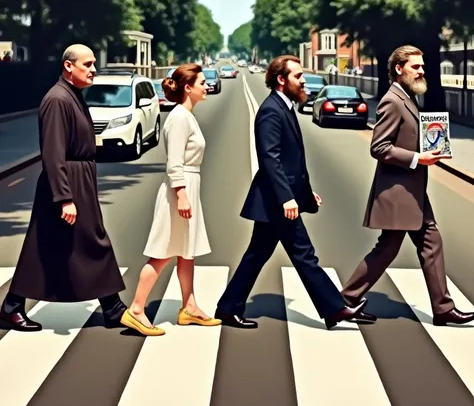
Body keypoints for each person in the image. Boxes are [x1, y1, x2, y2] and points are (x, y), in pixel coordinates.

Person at [214, 55, 373, 330]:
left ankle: (228, 307)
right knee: (304, 254)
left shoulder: (284, 107)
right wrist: (287, 198)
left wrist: (306, 195)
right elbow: (270, 159)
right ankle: (335, 309)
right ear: (281, 79)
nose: (303, 81)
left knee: (257, 254)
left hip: (277, 200)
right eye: (298, 76)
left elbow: (292, 162)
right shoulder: (271, 111)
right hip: (276, 202)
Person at [340, 45, 474, 326]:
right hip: (398, 192)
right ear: (399, 69)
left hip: (412, 191)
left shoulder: (407, 97)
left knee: (430, 241)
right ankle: (345, 300)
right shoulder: (392, 100)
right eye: (416, 66)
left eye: (422, 66)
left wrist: (430, 149)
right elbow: (379, 147)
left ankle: (442, 308)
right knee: (389, 248)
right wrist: (417, 158)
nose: (422, 71)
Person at [0, 45, 126, 332]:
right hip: (68, 182)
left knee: (48, 246)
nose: (94, 69)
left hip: (77, 178)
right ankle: (113, 307)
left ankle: (11, 306)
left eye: (94, 64)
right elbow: (53, 152)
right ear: (69, 66)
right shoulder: (58, 99)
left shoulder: (72, 95)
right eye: (88, 64)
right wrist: (64, 197)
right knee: (93, 241)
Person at [120, 64, 221, 336]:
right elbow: (174, 163)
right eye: (201, 82)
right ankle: (136, 310)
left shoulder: (186, 116)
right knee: (162, 252)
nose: (206, 85)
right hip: (181, 188)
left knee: (186, 252)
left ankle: (190, 307)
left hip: (189, 186)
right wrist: (181, 195)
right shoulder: (179, 118)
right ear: (188, 88)